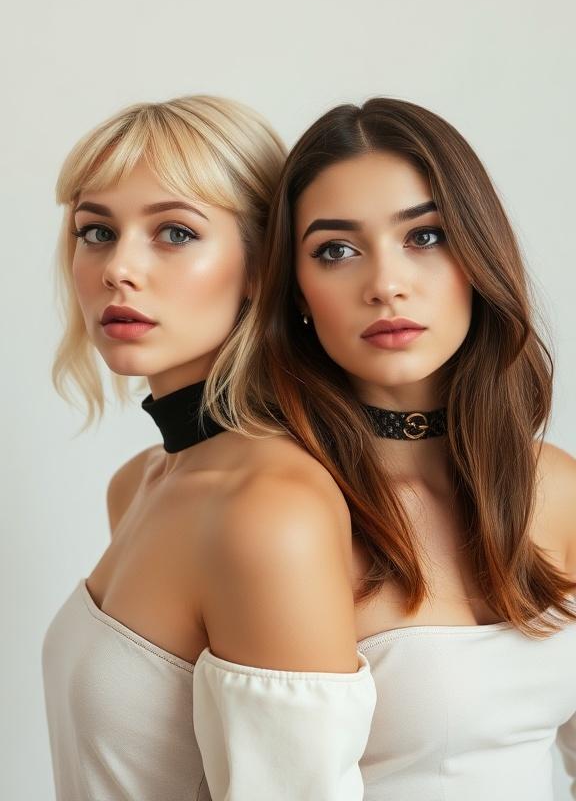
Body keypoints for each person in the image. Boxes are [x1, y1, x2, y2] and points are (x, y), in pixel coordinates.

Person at [206, 97, 576, 801]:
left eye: (426, 237)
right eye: (336, 251)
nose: (385, 285)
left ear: (480, 255)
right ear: (298, 292)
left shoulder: (554, 487)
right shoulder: (284, 514)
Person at [41, 95, 377, 801]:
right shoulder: (139, 482)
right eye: (96, 231)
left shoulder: (270, 509)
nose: (117, 268)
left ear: (261, 265)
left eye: (174, 232)